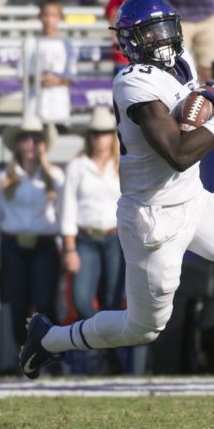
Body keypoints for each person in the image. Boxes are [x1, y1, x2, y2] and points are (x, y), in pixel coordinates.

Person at [18, 0, 214, 419]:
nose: (162, 38)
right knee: (143, 327)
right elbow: (179, 153)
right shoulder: (132, 82)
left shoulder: (182, 59)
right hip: (153, 216)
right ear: (130, 42)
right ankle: (49, 339)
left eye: (166, 27)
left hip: (194, 199)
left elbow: (200, 113)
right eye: (150, 33)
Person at [0, 117, 64, 353]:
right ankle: (23, 355)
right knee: (17, 304)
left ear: (43, 144)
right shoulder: (5, 178)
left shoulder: (55, 176)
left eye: (37, 139)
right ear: (18, 143)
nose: (31, 144)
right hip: (13, 246)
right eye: (26, 138)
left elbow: (63, 216)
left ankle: (50, 355)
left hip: (45, 245)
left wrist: (66, 247)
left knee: (45, 302)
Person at [61, 106, 124, 321]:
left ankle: (107, 351)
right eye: (95, 133)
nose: (100, 138)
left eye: (105, 132)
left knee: (112, 299)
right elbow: (68, 209)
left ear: (112, 136)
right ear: (89, 136)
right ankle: (100, 344)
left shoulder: (122, 165)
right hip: (85, 239)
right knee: (81, 299)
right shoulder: (77, 166)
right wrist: (69, 249)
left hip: (115, 237)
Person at [25, 0, 76, 126]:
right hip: (35, 106)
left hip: (58, 106)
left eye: (53, 15)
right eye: (46, 15)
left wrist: (57, 81)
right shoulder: (30, 43)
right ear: (40, 16)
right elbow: (22, 75)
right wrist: (39, 79)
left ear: (60, 17)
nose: (49, 20)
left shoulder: (67, 45)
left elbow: (71, 77)